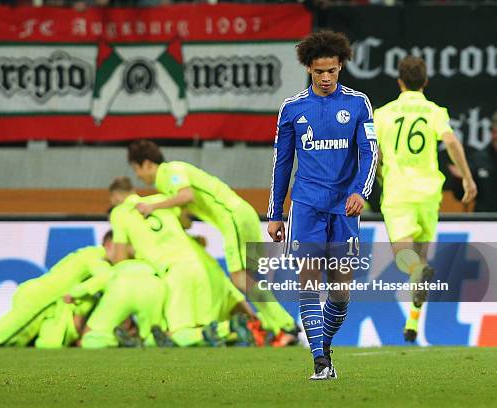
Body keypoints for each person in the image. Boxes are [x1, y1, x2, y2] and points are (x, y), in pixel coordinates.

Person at [267, 30, 377, 380]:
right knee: (309, 284)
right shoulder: (293, 108)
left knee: (341, 293)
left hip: (345, 208)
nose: (326, 78)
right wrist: (274, 213)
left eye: (331, 71)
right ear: (309, 70)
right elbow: (282, 163)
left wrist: (361, 191)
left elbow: (370, 152)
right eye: (319, 72)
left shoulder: (358, 104)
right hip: (306, 206)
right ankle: (320, 361)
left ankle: (323, 344)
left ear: (340, 66)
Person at [126, 140, 300, 346]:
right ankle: (278, 328)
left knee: (239, 278)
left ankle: (284, 325)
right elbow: (185, 214)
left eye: (136, 169)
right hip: (243, 215)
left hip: (232, 218)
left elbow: (186, 195)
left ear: (147, 164)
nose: (137, 175)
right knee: (250, 279)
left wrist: (152, 207)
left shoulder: (170, 171)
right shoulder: (172, 177)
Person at [374, 55, 477, 342]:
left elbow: (376, 155)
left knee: (406, 260)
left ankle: (418, 273)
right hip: (429, 192)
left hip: (399, 192)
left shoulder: (382, 114)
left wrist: (381, 177)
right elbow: (452, 141)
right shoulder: (434, 111)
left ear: (399, 81)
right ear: (426, 82)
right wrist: (467, 178)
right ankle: (412, 325)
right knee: (421, 258)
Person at [108, 176, 253, 347]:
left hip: (175, 273)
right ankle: (245, 328)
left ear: (115, 198)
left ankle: (229, 329)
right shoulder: (162, 200)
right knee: (203, 330)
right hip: (200, 266)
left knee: (177, 336)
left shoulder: (119, 213)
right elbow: (185, 221)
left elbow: (120, 259)